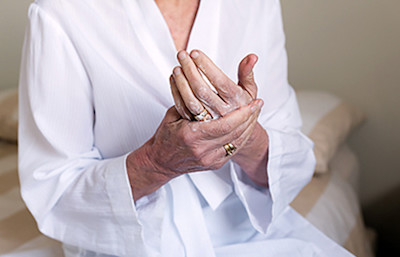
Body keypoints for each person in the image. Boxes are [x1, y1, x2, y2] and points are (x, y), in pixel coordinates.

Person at [18, 0, 353, 256]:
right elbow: (51, 188)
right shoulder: (60, 12)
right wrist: (155, 163)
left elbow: (291, 162)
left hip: (255, 237)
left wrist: (245, 135)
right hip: (129, 244)